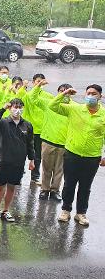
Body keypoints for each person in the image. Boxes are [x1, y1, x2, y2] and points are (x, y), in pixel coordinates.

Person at [50, 84, 105, 226]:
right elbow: (53, 106)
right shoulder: (76, 109)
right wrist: (65, 94)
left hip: (92, 157)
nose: (91, 96)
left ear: (100, 96)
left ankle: (81, 213)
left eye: (94, 94)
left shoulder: (103, 114)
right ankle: (65, 210)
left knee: (85, 186)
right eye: (88, 93)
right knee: (69, 184)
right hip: (72, 154)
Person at [0, 98, 35, 222]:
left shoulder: (27, 125)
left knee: (12, 186)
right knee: (0, 185)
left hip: (19, 162)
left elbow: (30, 143)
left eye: (20, 107)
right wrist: (3, 109)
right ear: (10, 108)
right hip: (4, 160)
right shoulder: (4, 122)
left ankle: (6, 210)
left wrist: (31, 159)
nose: (18, 110)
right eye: (15, 107)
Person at [31, 80, 73, 201]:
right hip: (48, 141)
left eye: (67, 93)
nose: (64, 95)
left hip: (64, 143)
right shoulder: (49, 103)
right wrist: (38, 86)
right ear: (57, 93)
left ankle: (55, 190)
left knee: (59, 169)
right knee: (46, 167)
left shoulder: (74, 107)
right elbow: (33, 98)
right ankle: (45, 189)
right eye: (61, 92)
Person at [18, 74, 52, 185]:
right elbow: (19, 100)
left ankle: (35, 176)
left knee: (37, 155)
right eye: (38, 81)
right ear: (33, 82)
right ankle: (18, 173)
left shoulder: (48, 96)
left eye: (42, 82)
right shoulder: (28, 95)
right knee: (21, 152)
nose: (40, 84)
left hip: (40, 131)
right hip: (27, 129)